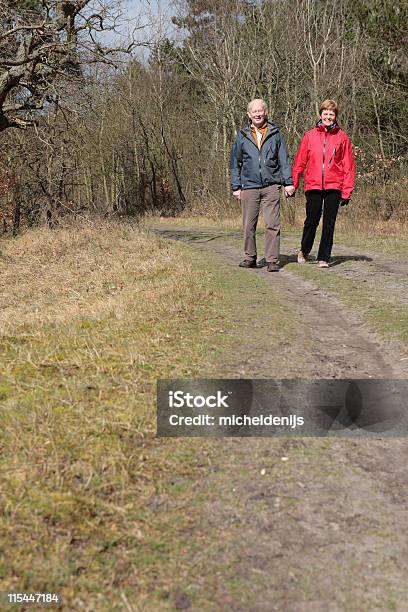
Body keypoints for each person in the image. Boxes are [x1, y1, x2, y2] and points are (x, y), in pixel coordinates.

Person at [230, 98, 295, 272]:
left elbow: (284, 160)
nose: (258, 114)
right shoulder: (242, 136)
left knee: (273, 224)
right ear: (249, 115)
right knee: (248, 225)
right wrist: (236, 186)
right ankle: (250, 257)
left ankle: (272, 260)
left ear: (265, 112)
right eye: (254, 112)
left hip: (271, 186)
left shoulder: (275, 133)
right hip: (248, 186)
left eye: (260, 111)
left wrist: (288, 182)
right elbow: (235, 163)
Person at [292, 99, 355, 268]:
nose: (328, 117)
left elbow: (349, 166)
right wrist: (293, 183)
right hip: (313, 185)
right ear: (320, 115)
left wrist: (347, 191)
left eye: (331, 114)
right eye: (325, 113)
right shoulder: (310, 136)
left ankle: (323, 257)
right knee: (311, 220)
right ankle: (304, 250)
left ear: (335, 117)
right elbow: (300, 161)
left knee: (329, 222)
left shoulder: (342, 138)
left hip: (334, 185)